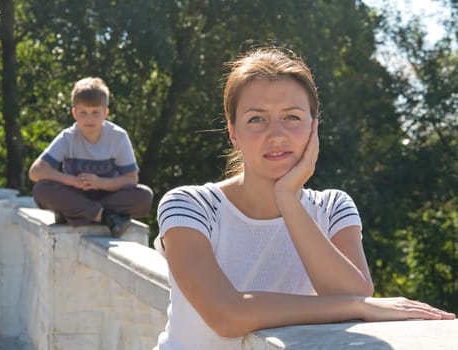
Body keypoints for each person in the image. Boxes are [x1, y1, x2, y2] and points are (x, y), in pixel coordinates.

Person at [152, 47, 455, 349]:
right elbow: (225, 315)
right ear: (233, 132)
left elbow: (350, 290)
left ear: (314, 126)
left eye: (292, 117)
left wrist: (287, 199)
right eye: (257, 119)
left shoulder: (333, 207)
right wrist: (359, 307)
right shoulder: (190, 206)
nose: (277, 135)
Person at [29, 77, 153, 237]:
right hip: (75, 194)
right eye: (83, 113)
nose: (89, 119)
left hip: (108, 195)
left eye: (95, 113)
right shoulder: (68, 137)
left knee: (144, 196)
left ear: (105, 113)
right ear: (74, 113)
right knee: (41, 190)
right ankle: (105, 216)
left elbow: (131, 179)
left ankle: (74, 213)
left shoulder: (118, 137)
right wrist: (72, 181)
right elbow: (35, 171)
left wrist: (99, 183)